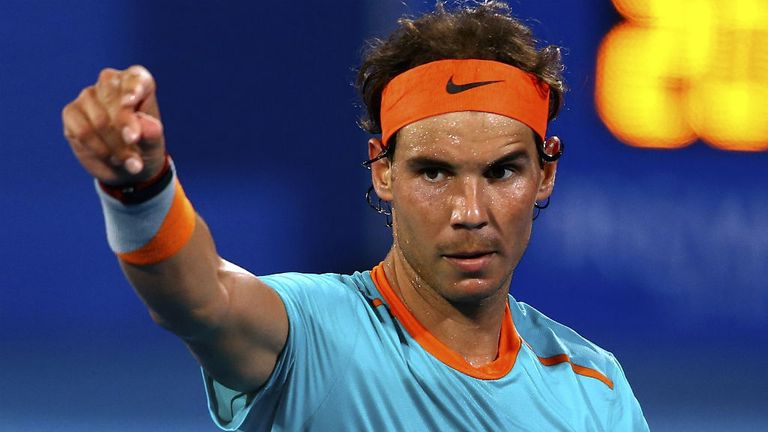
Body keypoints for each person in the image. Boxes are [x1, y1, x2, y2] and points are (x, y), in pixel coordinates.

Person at [62, 1, 648, 430]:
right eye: (435, 172)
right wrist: (138, 185)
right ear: (383, 171)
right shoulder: (312, 336)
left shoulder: (594, 389)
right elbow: (199, 298)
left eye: (501, 172)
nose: (470, 212)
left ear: (545, 174)